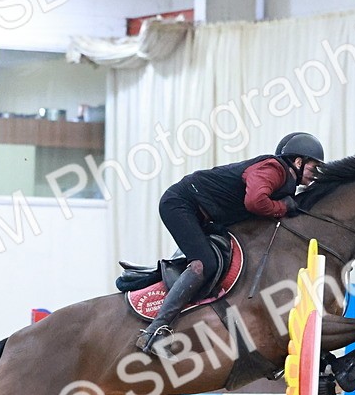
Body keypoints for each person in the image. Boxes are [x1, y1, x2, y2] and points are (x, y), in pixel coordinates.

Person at [134, 132, 326, 355]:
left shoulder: (287, 180)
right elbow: (255, 202)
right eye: (314, 168)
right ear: (298, 162)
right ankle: (154, 331)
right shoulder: (273, 169)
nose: (314, 175)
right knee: (204, 264)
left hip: (204, 214)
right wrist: (283, 207)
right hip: (180, 204)